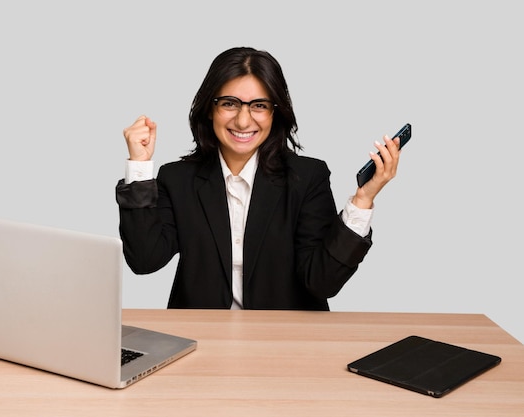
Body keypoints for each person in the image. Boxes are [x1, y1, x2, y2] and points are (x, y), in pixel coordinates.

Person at [115, 46, 402, 311]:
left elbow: (322, 282)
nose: (242, 121)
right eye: (229, 103)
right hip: (202, 339)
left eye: (259, 105)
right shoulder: (177, 178)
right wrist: (139, 167)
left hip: (284, 342)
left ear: (275, 113)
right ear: (209, 109)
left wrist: (363, 200)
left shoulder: (306, 177)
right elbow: (144, 260)